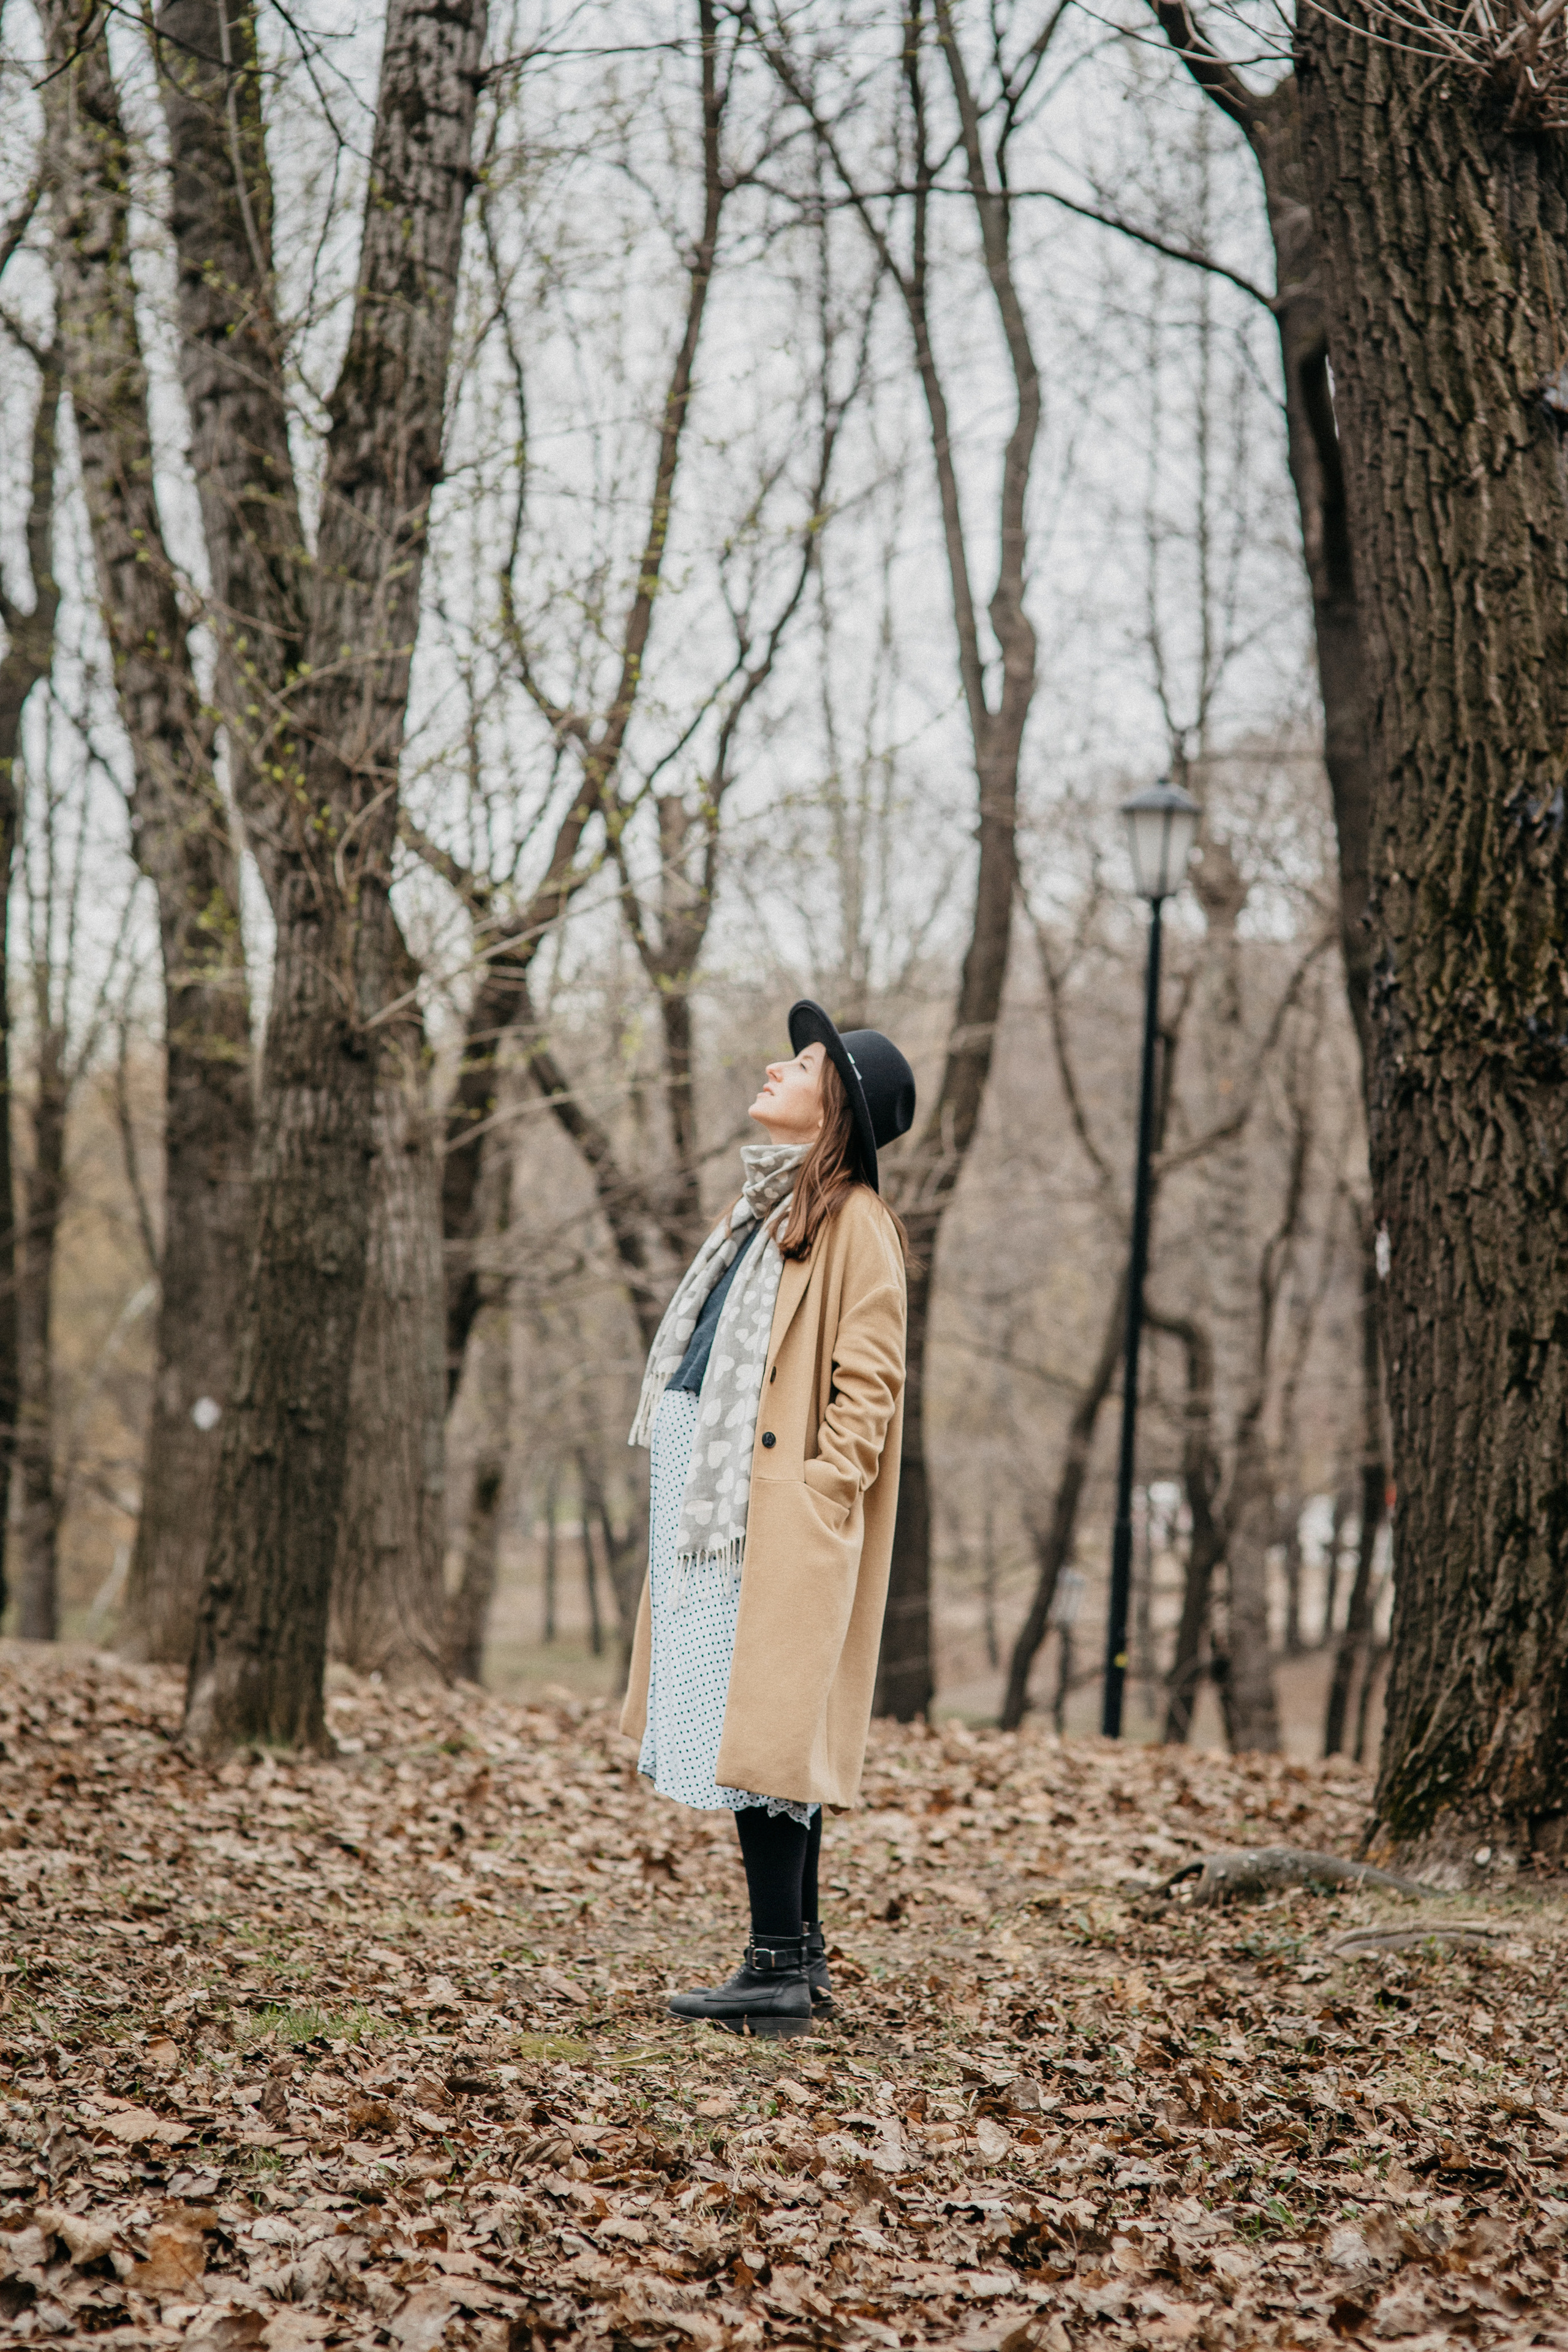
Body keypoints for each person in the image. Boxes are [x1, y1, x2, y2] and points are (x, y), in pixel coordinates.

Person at [621, 1000, 916, 2037]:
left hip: (776, 1513)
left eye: (799, 1064)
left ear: (838, 1103)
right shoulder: (768, 1208)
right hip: (721, 1499)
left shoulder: (856, 1223)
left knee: (767, 1736)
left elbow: (868, 1386)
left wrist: (821, 1497)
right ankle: (798, 1956)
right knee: (756, 1729)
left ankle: (776, 1969)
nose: (774, 1068)